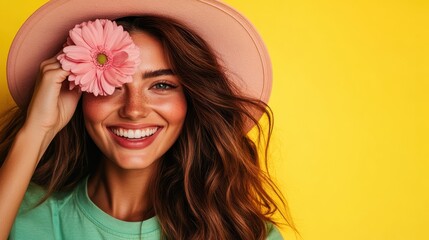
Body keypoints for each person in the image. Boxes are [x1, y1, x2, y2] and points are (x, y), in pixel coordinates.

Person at [0, 0, 295, 239]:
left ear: (192, 100)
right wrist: (37, 131)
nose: (134, 109)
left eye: (162, 85)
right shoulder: (18, 211)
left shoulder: (244, 234)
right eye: (113, 86)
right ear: (79, 94)